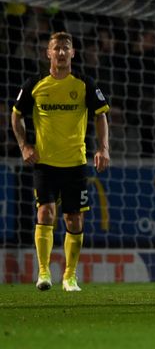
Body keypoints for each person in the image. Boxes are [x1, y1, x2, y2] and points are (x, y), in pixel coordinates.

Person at [11, 31, 111, 292]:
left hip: (75, 163)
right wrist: (24, 146)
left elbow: (101, 116)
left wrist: (103, 148)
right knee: (45, 212)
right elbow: (15, 115)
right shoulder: (34, 84)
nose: (62, 52)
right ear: (48, 53)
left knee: (74, 220)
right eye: (57, 48)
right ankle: (43, 272)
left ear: (73, 53)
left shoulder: (84, 84)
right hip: (45, 163)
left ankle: (70, 276)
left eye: (66, 48)